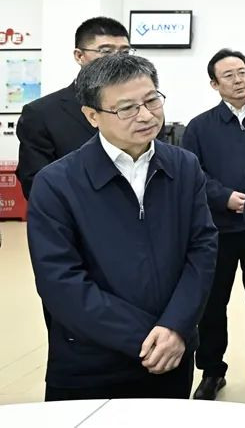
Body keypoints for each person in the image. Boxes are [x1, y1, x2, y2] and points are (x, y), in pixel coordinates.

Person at [26, 54, 217, 401]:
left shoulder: (184, 166)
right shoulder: (56, 183)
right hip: (91, 361)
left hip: (172, 354)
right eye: (127, 108)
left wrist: (176, 326)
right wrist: (148, 337)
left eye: (152, 100)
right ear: (92, 116)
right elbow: (60, 281)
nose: (146, 115)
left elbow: (201, 248)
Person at [181, 49, 245, 400]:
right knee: (211, 303)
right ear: (214, 84)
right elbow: (192, 174)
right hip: (215, 231)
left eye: (242, 72)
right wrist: (223, 197)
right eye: (229, 75)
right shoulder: (199, 127)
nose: (238, 80)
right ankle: (211, 371)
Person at [16, 16, 131, 199]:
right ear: (79, 56)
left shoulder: (146, 109)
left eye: (124, 52)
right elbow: (36, 185)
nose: (118, 60)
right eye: (106, 51)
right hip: (74, 214)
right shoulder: (41, 114)